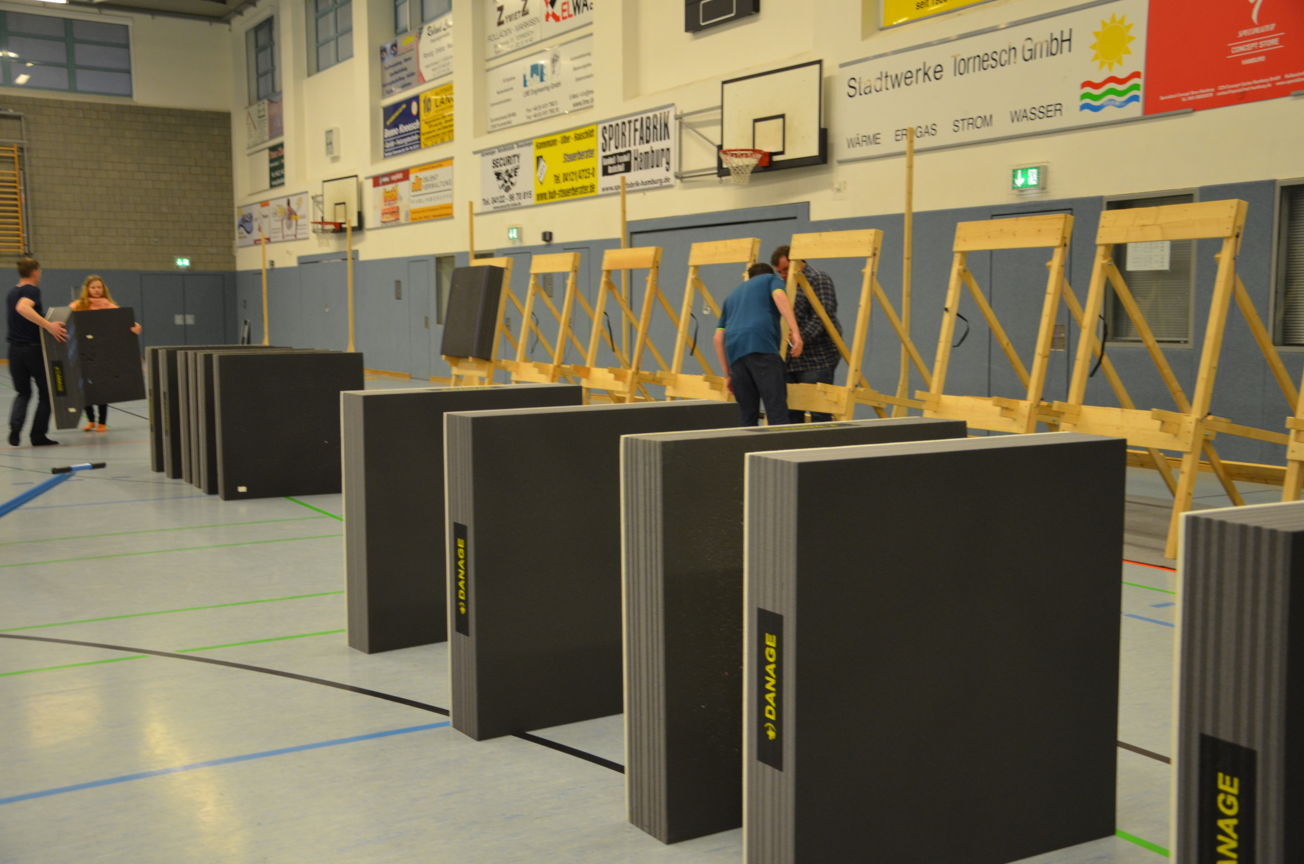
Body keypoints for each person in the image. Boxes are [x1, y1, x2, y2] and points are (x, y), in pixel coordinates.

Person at [714, 263, 803, 427]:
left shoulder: (731, 297)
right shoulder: (771, 279)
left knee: (747, 417)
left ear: (749, 278)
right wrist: (796, 332)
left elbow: (718, 338)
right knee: (776, 413)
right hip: (761, 346)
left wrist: (728, 374)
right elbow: (779, 296)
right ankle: (779, 444)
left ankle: (748, 444)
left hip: (735, 354)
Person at [771, 245, 842, 423]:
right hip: (791, 360)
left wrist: (799, 338)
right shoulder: (783, 285)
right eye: (779, 272)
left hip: (818, 357)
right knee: (791, 413)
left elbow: (824, 316)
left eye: (786, 269)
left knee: (819, 411)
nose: (783, 275)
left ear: (799, 262)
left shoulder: (818, 278)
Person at [6, 256, 67, 446]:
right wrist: (48, 325)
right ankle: (37, 435)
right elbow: (22, 307)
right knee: (46, 394)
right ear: (35, 271)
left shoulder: (12, 292)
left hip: (14, 351)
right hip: (32, 351)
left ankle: (15, 429)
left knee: (23, 393)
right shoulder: (31, 290)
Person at [69, 274, 142, 432]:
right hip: (83, 352)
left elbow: (124, 321)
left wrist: (135, 326)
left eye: (99, 287)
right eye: (93, 287)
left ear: (103, 289)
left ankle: (102, 423)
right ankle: (90, 420)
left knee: (102, 387)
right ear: (87, 289)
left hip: (103, 353)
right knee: (84, 388)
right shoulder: (78, 305)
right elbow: (67, 320)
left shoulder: (109, 306)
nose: (96, 290)